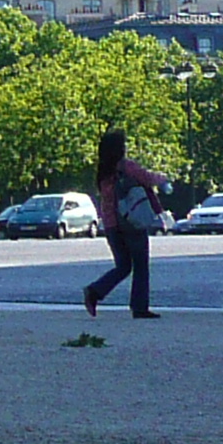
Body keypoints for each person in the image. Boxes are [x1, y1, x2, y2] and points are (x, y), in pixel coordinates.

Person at [82, 130, 167, 320]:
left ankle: (95, 291)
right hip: (131, 222)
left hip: (111, 225)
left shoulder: (102, 172)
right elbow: (147, 178)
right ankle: (139, 307)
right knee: (141, 265)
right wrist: (162, 180)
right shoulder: (126, 167)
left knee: (123, 265)